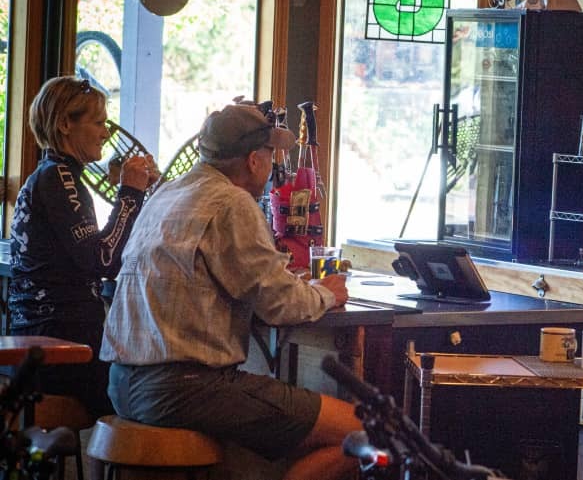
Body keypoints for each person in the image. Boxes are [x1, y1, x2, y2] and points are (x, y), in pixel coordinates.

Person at [100, 104, 361, 480]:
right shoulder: (232, 202)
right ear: (254, 160)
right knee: (367, 430)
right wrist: (327, 293)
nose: (274, 164)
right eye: (271, 154)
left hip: (123, 384)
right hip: (184, 389)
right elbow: (279, 302)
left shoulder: (166, 195)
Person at [8, 76, 158, 418]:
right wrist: (130, 194)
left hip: (43, 341)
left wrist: (132, 197)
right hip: (58, 345)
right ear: (65, 125)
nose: (107, 133)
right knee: (152, 402)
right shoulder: (59, 178)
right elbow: (103, 259)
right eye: (99, 122)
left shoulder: (54, 175)